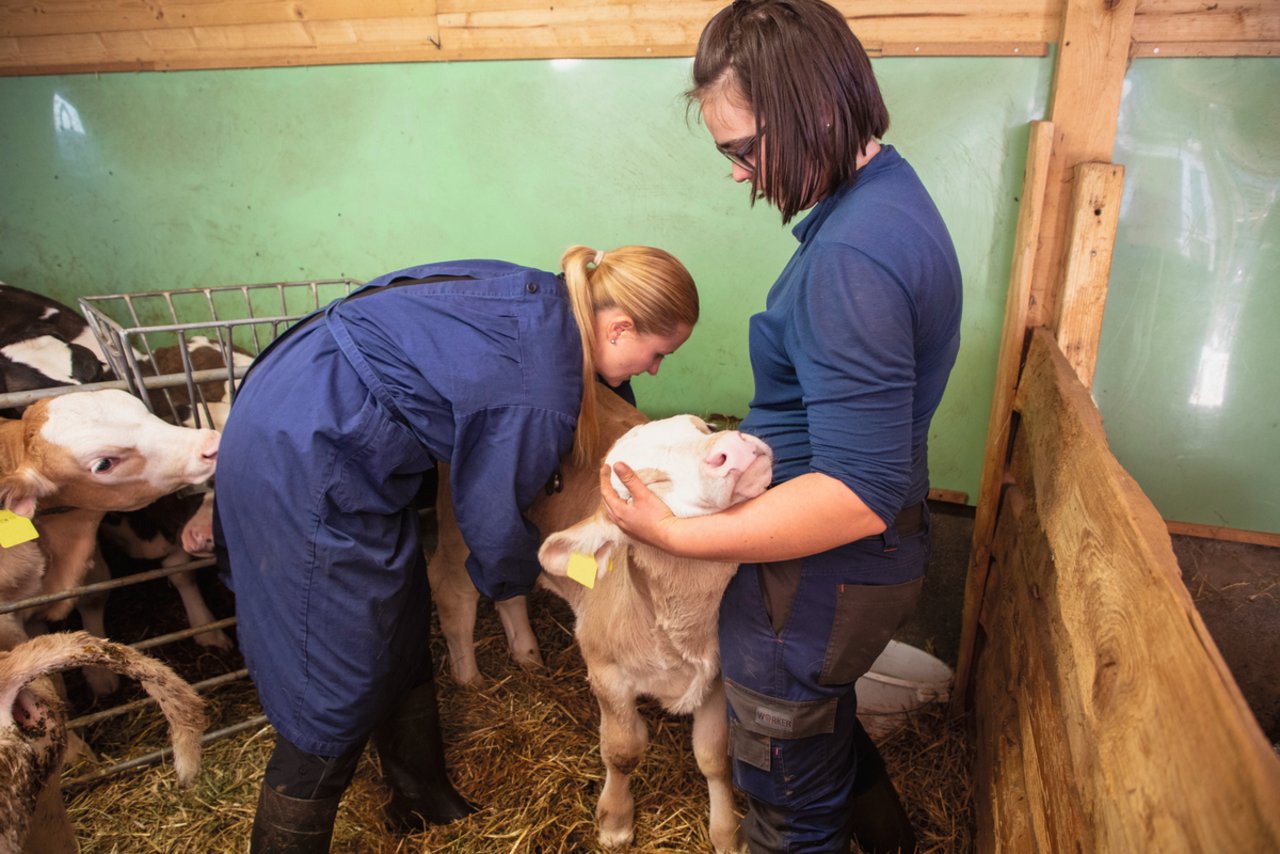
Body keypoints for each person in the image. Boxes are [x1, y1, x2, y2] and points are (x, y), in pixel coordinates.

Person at [599, 2, 962, 851]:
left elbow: (857, 493)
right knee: (818, 741)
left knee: (785, 803)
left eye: (742, 148)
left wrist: (675, 536)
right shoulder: (881, 202)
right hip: (834, 576)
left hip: (815, 582)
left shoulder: (851, 260)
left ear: (820, 113)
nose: (737, 173)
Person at [214, 245, 699, 852]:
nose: (654, 371)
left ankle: (420, 794)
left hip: (321, 413)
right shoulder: (541, 385)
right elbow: (491, 520)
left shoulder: (550, 299)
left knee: (396, 614)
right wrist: (558, 569)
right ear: (620, 326)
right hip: (306, 447)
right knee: (331, 669)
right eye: (657, 355)